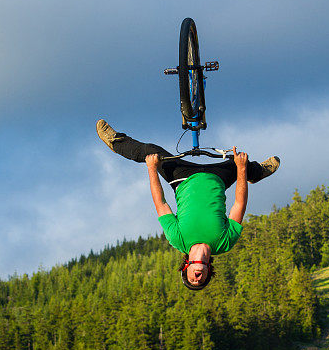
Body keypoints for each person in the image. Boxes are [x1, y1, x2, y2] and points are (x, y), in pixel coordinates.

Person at [96, 119, 280, 290]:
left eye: (192, 279)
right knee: (242, 162)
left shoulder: (178, 240)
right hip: (218, 178)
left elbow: (160, 204)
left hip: (181, 177)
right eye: (201, 280)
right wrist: (241, 169)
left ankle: (116, 142)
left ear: (186, 267)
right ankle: (255, 173)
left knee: (151, 151)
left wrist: (152, 169)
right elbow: (239, 205)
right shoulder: (224, 244)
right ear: (208, 271)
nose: (197, 279)